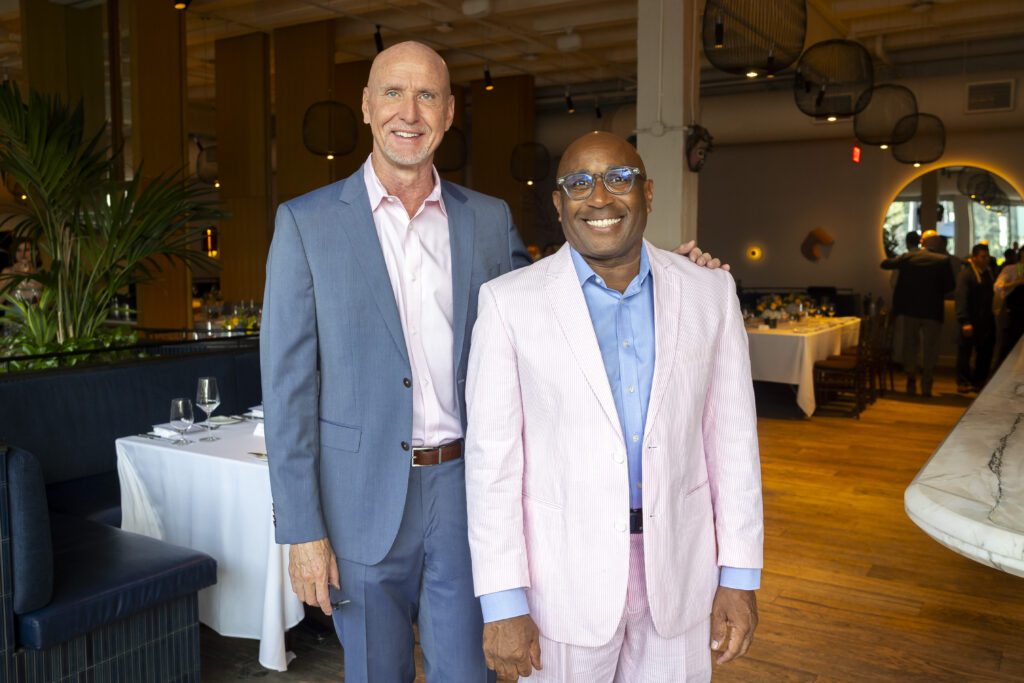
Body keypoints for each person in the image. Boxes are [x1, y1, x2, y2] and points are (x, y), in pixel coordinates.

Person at [260, 43, 724, 682]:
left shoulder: (486, 219)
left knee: (470, 674)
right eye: (393, 92)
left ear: (449, 113)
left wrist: (669, 272)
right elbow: (285, 391)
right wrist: (302, 530)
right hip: (358, 502)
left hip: (466, 493)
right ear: (366, 106)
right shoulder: (305, 225)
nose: (410, 112)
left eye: (427, 96)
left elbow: (554, 311)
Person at [464, 132, 763, 682]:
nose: (599, 197)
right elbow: (492, 467)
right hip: (560, 586)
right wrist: (503, 603)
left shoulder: (709, 294)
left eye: (618, 178)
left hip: (680, 571)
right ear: (558, 205)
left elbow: (734, 446)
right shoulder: (508, 303)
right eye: (578, 183)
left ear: (647, 192)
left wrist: (739, 577)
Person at [881, 229, 956, 397]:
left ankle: (910, 378)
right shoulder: (943, 260)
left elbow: (885, 264)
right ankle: (927, 382)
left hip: (910, 309)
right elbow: (950, 286)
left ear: (922, 242)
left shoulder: (908, 257)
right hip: (932, 310)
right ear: (936, 242)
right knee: (930, 348)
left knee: (910, 345)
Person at [955, 244, 995, 393]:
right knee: (965, 352)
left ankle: (979, 381)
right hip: (971, 319)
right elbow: (961, 298)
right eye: (983, 257)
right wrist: (964, 321)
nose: (986, 259)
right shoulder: (967, 274)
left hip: (984, 320)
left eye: (987, 257)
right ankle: (963, 381)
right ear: (974, 258)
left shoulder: (988, 273)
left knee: (984, 351)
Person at [995, 250, 1024, 362]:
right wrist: (1016, 283)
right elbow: (998, 287)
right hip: (1014, 312)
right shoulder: (1011, 269)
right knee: (1010, 343)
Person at [0, 236, 43, 304]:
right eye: (18, 250)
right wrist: (12, 275)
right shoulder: (8, 272)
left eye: (27, 250)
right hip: (13, 313)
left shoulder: (41, 274)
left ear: (35, 252)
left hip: (36, 313)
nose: (22, 254)